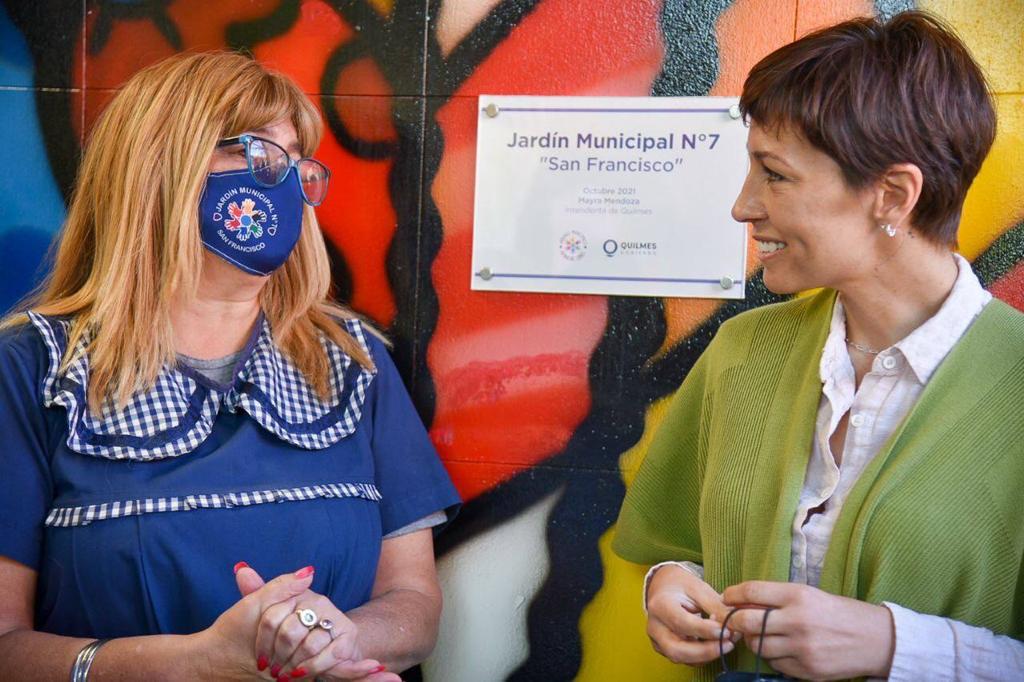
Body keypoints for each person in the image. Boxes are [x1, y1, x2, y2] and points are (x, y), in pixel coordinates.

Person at [0, 52, 460, 681]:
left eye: (297, 162)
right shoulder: (32, 370)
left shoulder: (353, 361)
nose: (286, 183)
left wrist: (332, 643)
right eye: (261, 154)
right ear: (162, 162)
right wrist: (195, 663)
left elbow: (414, 604)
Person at [613, 11, 1024, 681]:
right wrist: (669, 583)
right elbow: (681, 543)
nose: (743, 206)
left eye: (774, 175)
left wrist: (896, 646)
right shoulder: (741, 350)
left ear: (892, 195)